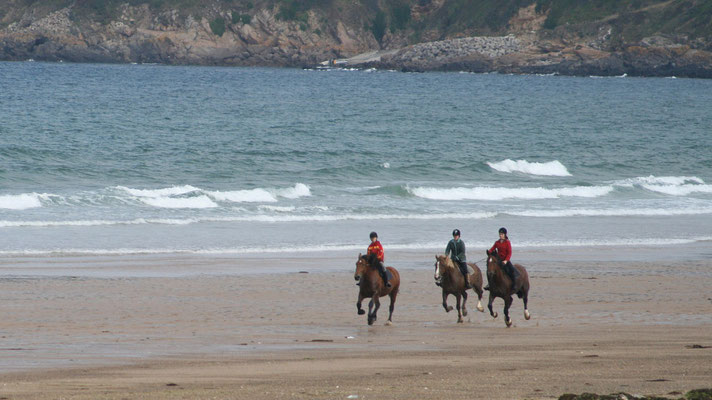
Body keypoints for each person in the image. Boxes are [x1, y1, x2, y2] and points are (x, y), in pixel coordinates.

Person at [486, 227, 520, 292]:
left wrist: (506, 260)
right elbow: (492, 248)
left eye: (502, 234)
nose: (500, 235)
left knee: (512, 270)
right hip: (498, 260)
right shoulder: (497, 242)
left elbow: (509, 253)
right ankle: (489, 284)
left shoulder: (507, 242)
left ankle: (514, 285)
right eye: (500, 234)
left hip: (505, 260)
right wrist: (489, 252)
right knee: (490, 271)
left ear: (505, 235)